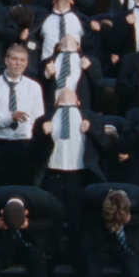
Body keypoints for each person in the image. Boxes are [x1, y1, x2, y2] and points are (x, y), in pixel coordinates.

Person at [31, 88, 107, 248]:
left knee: (78, 220)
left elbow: (106, 145)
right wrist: (42, 135)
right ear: (56, 102)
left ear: (78, 101)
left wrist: (92, 129)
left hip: (78, 176)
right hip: (52, 175)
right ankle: (50, 256)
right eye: (60, 93)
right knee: (51, 219)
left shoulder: (91, 117)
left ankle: (77, 258)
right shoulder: (44, 119)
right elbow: (32, 151)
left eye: (71, 91)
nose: (65, 90)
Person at [0, 45, 46, 187]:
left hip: (25, 145)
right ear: (6, 60)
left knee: (24, 189)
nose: (18, 63)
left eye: (22, 60)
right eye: (14, 59)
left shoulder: (34, 87)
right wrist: (9, 117)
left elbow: (38, 120)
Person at [39, 34, 103, 113]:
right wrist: (46, 75)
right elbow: (36, 88)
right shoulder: (46, 62)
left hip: (82, 111)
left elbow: (100, 86)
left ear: (78, 46)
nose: (68, 35)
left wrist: (90, 69)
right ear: (58, 47)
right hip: (53, 110)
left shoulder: (92, 62)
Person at [33, 0, 99, 61]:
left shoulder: (81, 20)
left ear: (72, 0)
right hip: (48, 67)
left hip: (73, 66)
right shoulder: (43, 19)